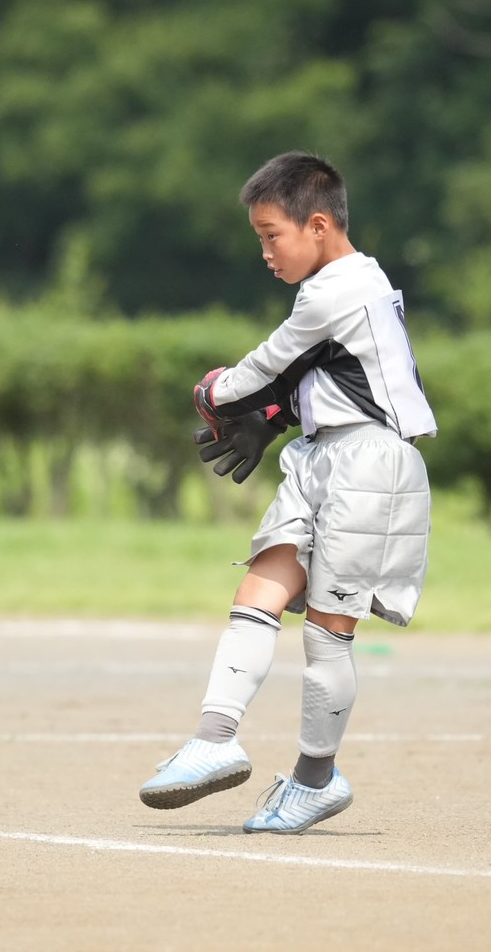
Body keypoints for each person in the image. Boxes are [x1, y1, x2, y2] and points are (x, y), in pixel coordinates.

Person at [138, 151, 436, 834]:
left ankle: (315, 781)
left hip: (373, 468)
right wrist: (274, 422)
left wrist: (210, 393)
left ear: (320, 226)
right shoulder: (342, 286)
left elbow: (266, 365)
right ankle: (214, 739)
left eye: (272, 235)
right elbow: (315, 378)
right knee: (261, 585)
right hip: (324, 457)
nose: (266, 252)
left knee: (328, 636)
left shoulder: (341, 288)